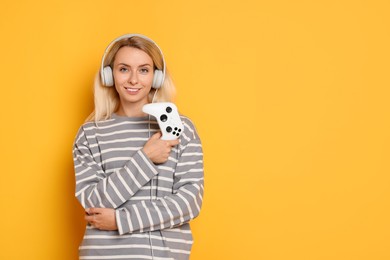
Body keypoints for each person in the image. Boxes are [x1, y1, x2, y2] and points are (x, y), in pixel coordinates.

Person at [72, 34, 204, 260]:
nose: (133, 79)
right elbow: (93, 202)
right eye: (124, 69)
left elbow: (189, 202)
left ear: (156, 77)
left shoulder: (180, 128)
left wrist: (120, 220)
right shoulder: (90, 134)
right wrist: (145, 157)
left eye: (143, 70)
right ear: (109, 75)